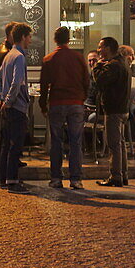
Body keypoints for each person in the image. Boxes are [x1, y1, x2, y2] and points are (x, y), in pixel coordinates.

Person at [39, 27, 89, 190]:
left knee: (56, 141)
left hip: (57, 102)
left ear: (55, 40)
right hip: (75, 102)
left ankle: (56, 178)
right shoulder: (78, 57)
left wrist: (43, 104)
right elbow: (86, 80)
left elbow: (44, 84)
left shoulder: (49, 59)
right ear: (69, 39)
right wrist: (82, 98)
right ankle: (76, 179)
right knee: (76, 141)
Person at [0, 23, 32, 194]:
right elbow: (17, 83)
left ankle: (4, 179)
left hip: (7, 107)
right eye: (29, 37)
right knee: (16, 145)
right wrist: (8, 100)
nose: (30, 40)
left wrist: (1, 97)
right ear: (23, 37)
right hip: (16, 107)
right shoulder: (19, 57)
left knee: (6, 145)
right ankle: (12, 181)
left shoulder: (9, 55)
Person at [92, 37, 130, 187]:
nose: (99, 50)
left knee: (114, 145)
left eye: (100, 47)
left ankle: (115, 177)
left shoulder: (113, 66)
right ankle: (123, 174)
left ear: (108, 48)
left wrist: (96, 66)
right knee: (121, 143)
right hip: (122, 109)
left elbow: (100, 81)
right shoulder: (123, 63)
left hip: (114, 109)